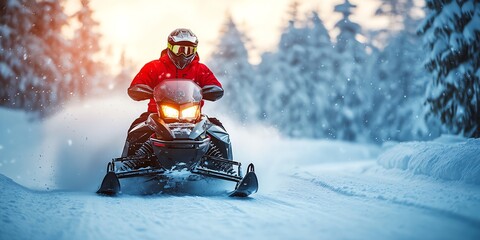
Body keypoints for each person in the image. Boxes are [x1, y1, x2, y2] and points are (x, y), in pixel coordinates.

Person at [122, 28, 223, 157]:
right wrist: (141, 89)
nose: (183, 55)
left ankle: (227, 168)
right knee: (136, 130)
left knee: (218, 131)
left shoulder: (200, 69)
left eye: (189, 50)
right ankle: (126, 165)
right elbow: (138, 84)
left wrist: (212, 90)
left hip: (193, 117)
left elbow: (214, 85)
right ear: (170, 47)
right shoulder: (154, 67)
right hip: (156, 114)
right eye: (179, 50)